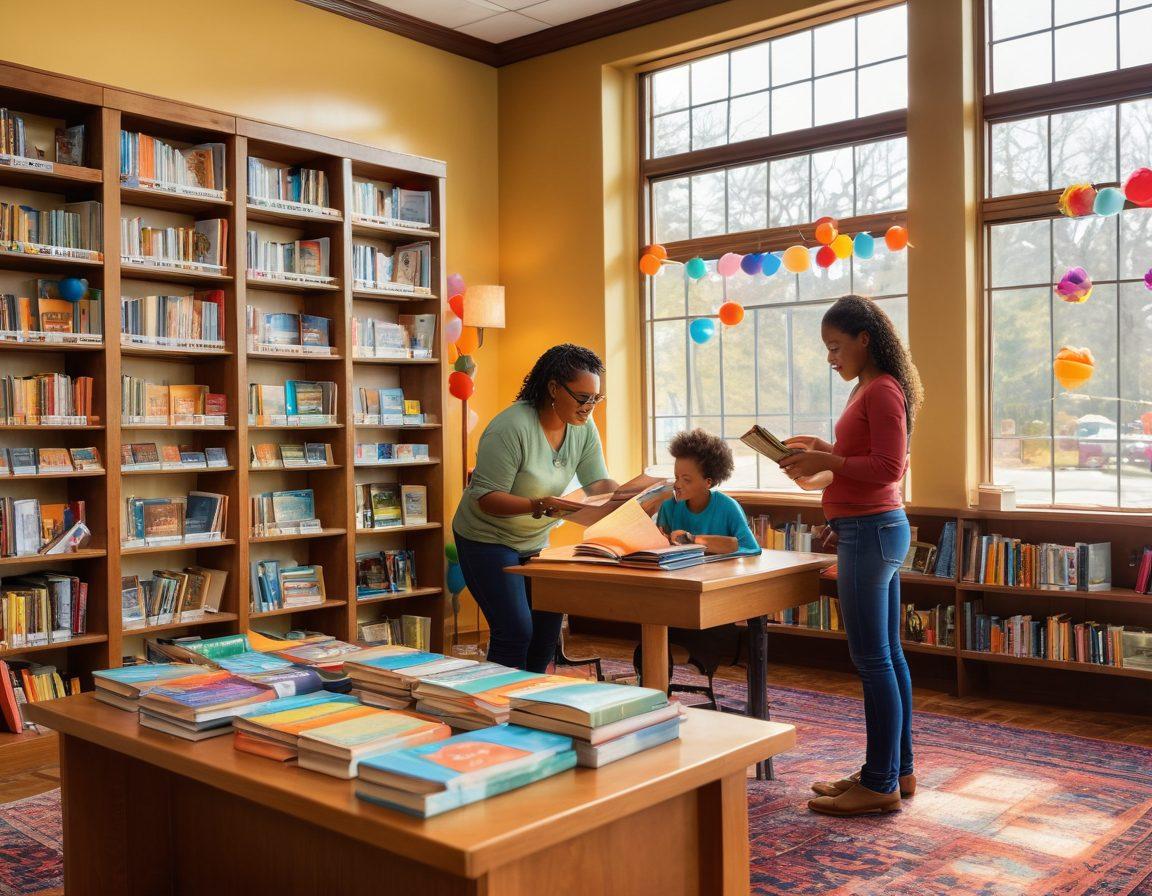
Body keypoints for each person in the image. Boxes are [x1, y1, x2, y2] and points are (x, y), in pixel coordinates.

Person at [778, 294, 924, 817]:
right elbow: (859, 462)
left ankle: (881, 782)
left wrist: (828, 458)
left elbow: (888, 468)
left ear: (866, 339)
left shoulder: (883, 390)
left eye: (836, 347)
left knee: (873, 660)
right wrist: (822, 451)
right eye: (827, 349)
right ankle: (893, 771)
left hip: (873, 530)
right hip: (869, 529)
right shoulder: (869, 389)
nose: (831, 357)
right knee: (888, 656)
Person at [452, 344, 618, 672]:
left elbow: (599, 484)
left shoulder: (583, 428)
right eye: (583, 398)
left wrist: (632, 497)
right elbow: (486, 498)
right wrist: (538, 504)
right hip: (486, 539)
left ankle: (530, 703)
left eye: (595, 399)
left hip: (535, 541)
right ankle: (498, 705)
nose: (589, 408)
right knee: (515, 631)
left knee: (546, 632)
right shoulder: (511, 427)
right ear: (554, 388)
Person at [656, 428, 761, 556]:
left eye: (686, 480)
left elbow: (751, 549)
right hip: (680, 575)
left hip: (720, 575)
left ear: (708, 482)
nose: (677, 484)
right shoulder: (668, 508)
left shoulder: (728, 507)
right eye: (677, 477)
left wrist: (693, 539)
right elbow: (659, 553)